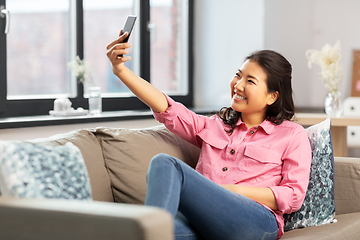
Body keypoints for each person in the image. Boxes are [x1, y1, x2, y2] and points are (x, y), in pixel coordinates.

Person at [106, 31, 312, 240]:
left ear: (272, 96)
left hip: (256, 221)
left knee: (166, 163)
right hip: (204, 221)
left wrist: (234, 191)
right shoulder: (215, 125)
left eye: (250, 81)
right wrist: (120, 70)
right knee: (137, 232)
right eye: (238, 75)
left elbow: (293, 195)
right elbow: (167, 108)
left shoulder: (292, 135)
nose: (238, 85)